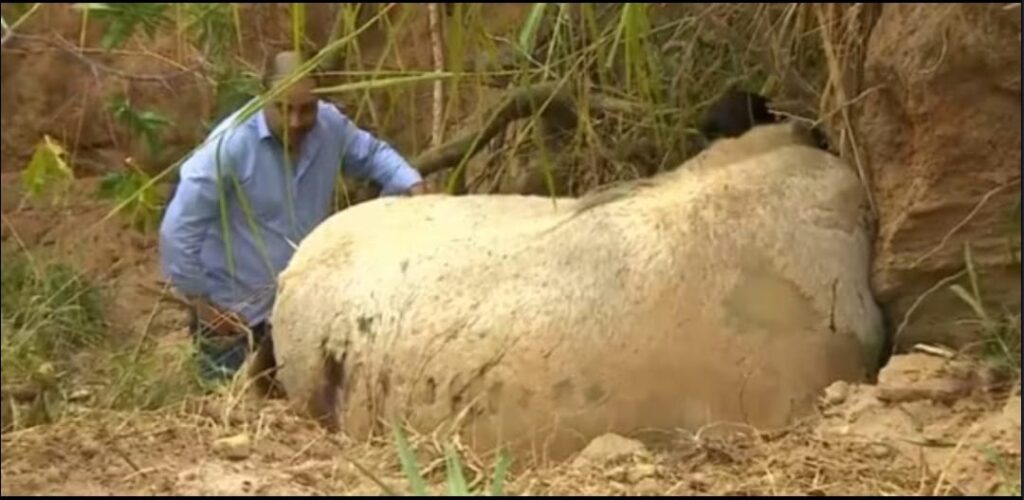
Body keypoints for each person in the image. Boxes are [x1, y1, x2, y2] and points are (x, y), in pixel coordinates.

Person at [159, 51, 425, 388]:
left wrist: (413, 185)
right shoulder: (229, 146)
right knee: (225, 421)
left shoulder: (330, 126)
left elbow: (372, 155)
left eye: (306, 109)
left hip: (299, 311)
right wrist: (203, 305)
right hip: (235, 319)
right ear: (262, 97)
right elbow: (178, 229)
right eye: (283, 109)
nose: (296, 121)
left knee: (292, 426)